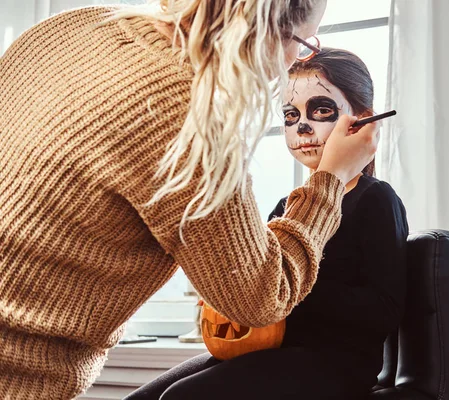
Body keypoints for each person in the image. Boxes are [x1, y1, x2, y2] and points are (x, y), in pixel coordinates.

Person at [0, 1, 381, 398]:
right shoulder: (190, 118)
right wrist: (331, 177)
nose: (289, 64)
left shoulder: (68, 27)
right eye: (300, 44)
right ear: (268, 28)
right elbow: (260, 299)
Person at [125, 47, 409, 400]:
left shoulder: (376, 199)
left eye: (320, 110)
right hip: (269, 350)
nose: (302, 126)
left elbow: (385, 310)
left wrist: (291, 281)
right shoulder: (286, 206)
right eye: (291, 114)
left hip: (338, 365)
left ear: (362, 120)